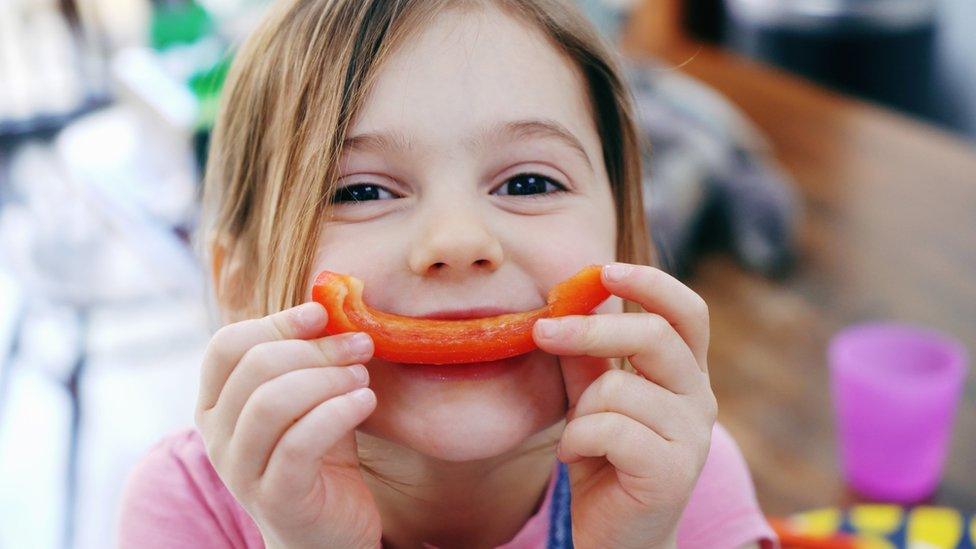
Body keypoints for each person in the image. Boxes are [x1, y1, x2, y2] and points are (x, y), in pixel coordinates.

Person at [119, 1, 777, 547]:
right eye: (360, 191)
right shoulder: (187, 508)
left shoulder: (678, 477)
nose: (459, 242)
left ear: (628, 242)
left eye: (528, 180)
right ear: (237, 284)